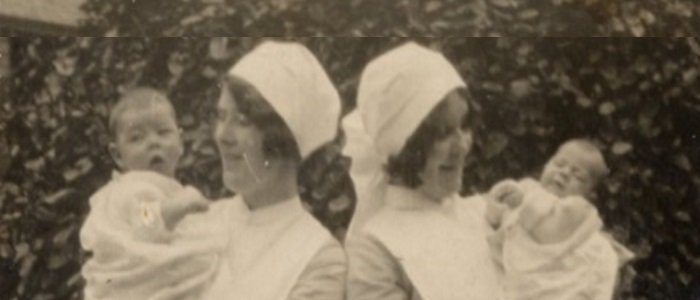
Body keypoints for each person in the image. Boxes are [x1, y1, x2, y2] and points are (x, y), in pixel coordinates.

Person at [344, 42, 500, 300]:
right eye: (442, 133)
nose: (462, 145)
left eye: (464, 126)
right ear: (405, 146)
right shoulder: (373, 250)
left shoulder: (482, 214)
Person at [201, 40, 346, 300]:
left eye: (243, 121)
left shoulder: (318, 258)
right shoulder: (201, 222)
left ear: (283, 140)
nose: (222, 135)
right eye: (222, 117)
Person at [80, 88, 222, 300]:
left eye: (163, 132)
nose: (153, 142)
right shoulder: (131, 189)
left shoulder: (163, 187)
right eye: (137, 138)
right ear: (118, 155)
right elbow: (145, 220)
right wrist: (179, 206)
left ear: (181, 142)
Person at [485, 139, 635, 300]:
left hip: (548, 281)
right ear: (545, 166)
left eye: (578, 176)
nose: (564, 173)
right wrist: (501, 201)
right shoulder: (529, 187)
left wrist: (521, 203)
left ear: (589, 194)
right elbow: (493, 215)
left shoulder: (576, 208)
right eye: (559, 164)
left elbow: (548, 229)